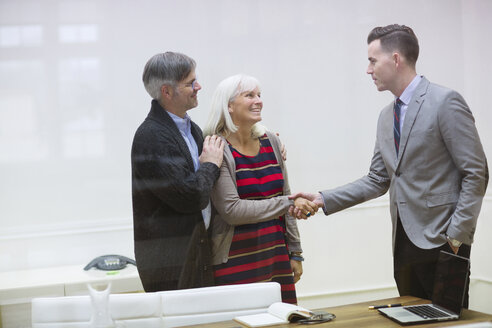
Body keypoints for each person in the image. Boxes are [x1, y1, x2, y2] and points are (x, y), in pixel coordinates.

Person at [292, 24, 488, 307]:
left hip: (445, 243)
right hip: (403, 244)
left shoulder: (445, 101)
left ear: (395, 59)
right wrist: (323, 198)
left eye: (372, 61)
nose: (368, 70)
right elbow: (377, 179)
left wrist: (457, 237)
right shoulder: (386, 117)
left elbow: (476, 172)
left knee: (446, 323)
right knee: (410, 320)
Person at [204, 74, 318, 304]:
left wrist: (295, 252)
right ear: (229, 106)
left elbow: (288, 196)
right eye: (249, 95)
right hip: (234, 263)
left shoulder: (272, 142)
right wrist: (288, 203)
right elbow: (232, 210)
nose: (258, 101)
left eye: (259, 95)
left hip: (276, 257)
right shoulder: (217, 147)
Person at [131, 52, 225, 292]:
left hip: (195, 250)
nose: (199, 86)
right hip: (170, 262)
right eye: (190, 83)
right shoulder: (152, 136)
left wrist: (265, 141)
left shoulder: (191, 129)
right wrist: (210, 165)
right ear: (167, 91)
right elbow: (191, 196)